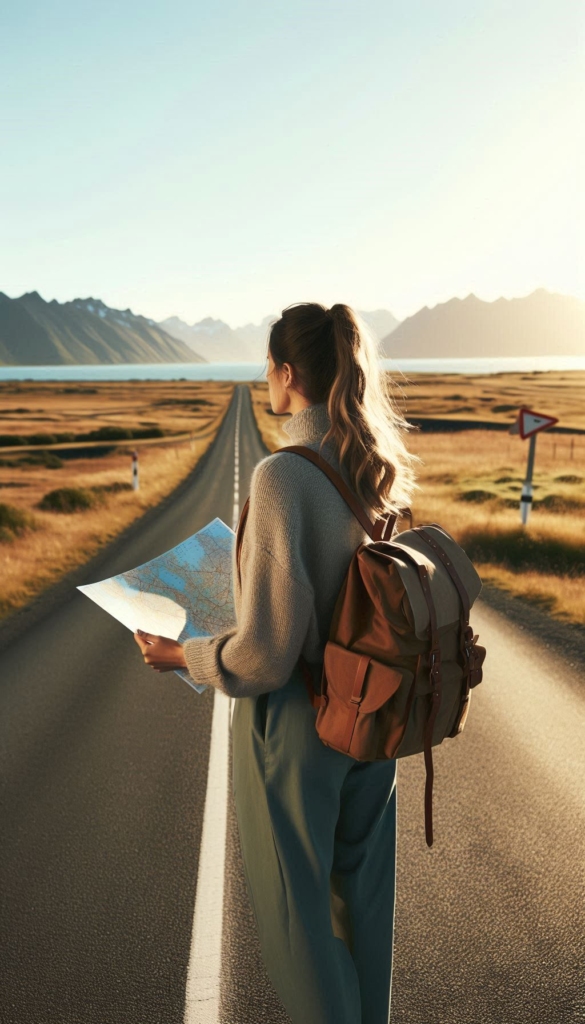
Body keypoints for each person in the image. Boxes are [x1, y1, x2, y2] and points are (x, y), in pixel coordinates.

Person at [134, 302, 418, 1024]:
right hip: (376, 717)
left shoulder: (279, 478)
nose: (265, 377)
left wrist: (184, 656)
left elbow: (264, 654)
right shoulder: (374, 467)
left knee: (301, 927)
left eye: (269, 367)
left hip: (299, 727)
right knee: (363, 905)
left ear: (288, 375)